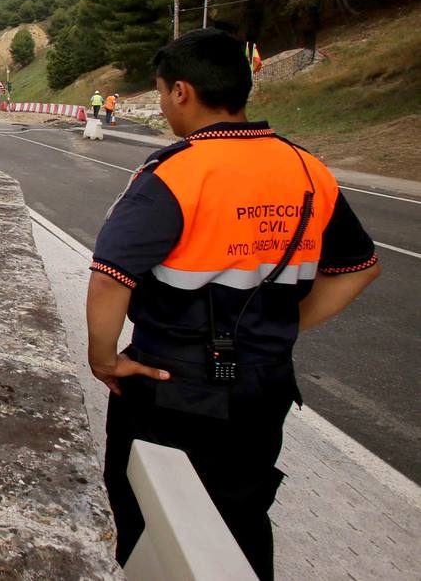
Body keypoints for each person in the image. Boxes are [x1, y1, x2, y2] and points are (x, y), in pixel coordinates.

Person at [86, 29, 379, 580]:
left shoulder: (174, 172)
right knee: (242, 517)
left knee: (150, 522)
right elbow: (359, 269)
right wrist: (283, 327)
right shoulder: (306, 169)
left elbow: (109, 276)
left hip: (168, 383)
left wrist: (104, 360)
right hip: (261, 389)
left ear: (181, 92)